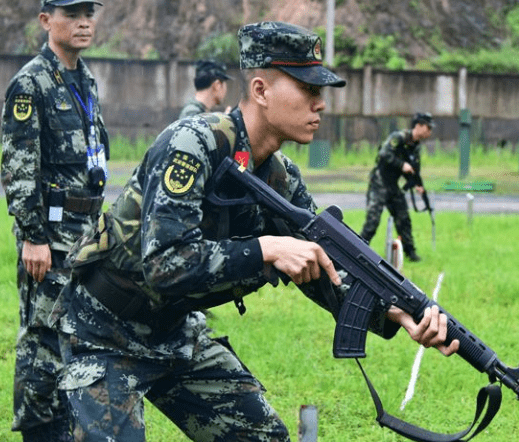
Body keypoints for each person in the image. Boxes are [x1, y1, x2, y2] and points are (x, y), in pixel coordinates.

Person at [51, 22, 457, 442]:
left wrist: (396, 312)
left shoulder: (280, 177)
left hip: (175, 333)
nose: (321, 105)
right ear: (261, 90)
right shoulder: (193, 145)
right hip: (104, 330)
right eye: (309, 91)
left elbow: (329, 267)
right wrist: (264, 248)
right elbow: (165, 264)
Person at [0, 0, 109, 442]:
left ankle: (68, 426)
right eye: (71, 13)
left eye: (88, 12)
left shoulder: (84, 78)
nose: (83, 22)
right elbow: (20, 166)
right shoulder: (31, 83)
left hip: (85, 234)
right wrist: (33, 236)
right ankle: (39, 432)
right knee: (42, 338)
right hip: (50, 237)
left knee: (77, 335)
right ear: (46, 20)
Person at [360, 112, 435, 262]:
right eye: (428, 127)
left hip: (393, 186)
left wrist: (417, 185)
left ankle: (410, 253)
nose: (429, 132)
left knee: (403, 219)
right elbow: (383, 153)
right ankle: (358, 249)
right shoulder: (399, 137)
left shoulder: (416, 147)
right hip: (379, 183)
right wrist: (401, 165)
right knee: (372, 221)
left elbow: (413, 170)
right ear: (419, 126)